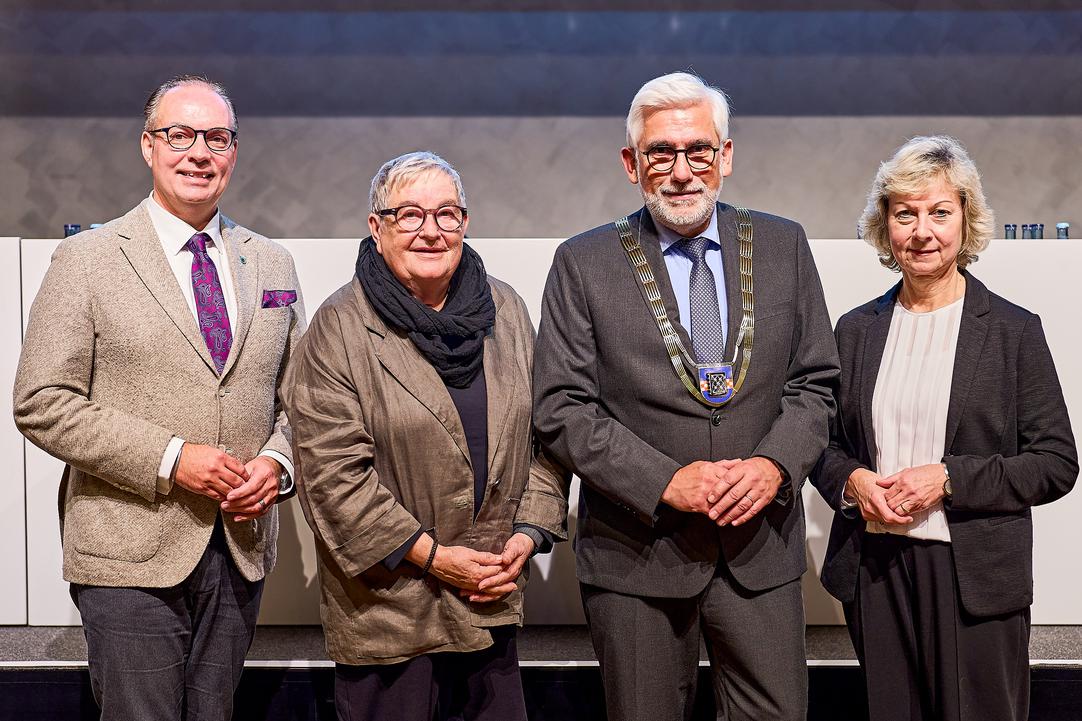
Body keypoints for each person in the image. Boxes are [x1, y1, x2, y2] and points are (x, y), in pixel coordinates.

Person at [533, 71, 839, 721]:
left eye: (698, 149)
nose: (681, 171)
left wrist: (773, 466)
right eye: (660, 154)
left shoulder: (785, 246)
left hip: (761, 549)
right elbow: (562, 407)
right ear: (631, 163)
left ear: (725, 155)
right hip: (638, 554)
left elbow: (815, 383)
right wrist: (667, 481)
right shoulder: (581, 263)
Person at [13, 74, 306, 721]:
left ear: (234, 150)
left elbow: (300, 400)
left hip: (240, 547)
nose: (199, 151)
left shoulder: (274, 263)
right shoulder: (87, 259)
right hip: (127, 552)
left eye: (217, 137)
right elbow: (41, 399)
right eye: (180, 134)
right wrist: (173, 457)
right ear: (148, 146)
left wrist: (277, 466)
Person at [281, 151, 568, 721]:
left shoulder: (505, 310)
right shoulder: (339, 326)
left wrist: (527, 537)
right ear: (376, 227)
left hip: (491, 599)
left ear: (465, 222)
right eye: (409, 215)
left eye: (447, 214)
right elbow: (334, 480)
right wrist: (437, 559)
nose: (431, 231)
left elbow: (546, 437)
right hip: (390, 615)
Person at [811, 135, 1077, 721]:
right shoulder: (856, 330)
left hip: (974, 579)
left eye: (939, 212)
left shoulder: (1013, 331)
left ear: (966, 219)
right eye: (905, 214)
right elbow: (823, 446)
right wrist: (854, 482)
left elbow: (1056, 462)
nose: (922, 231)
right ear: (885, 226)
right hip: (875, 572)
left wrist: (948, 478)